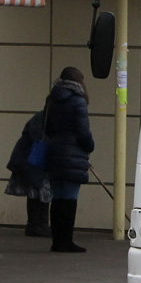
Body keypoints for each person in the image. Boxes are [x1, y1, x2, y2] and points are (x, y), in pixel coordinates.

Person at [43, 67, 96, 253]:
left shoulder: (51, 100)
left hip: (54, 153)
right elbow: (83, 132)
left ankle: (56, 241)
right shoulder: (78, 102)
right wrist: (90, 146)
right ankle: (66, 241)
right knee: (70, 199)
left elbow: (47, 128)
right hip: (73, 154)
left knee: (57, 198)